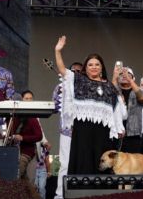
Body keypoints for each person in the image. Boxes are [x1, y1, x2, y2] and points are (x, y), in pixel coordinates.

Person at [54, 36, 126, 175]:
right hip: (83, 128)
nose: (94, 67)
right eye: (90, 64)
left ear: (101, 68)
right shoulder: (79, 80)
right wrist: (58, 51)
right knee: (83, 159)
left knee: (101, 161)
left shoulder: (108, 85)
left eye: (97, 64)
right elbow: (63, 70)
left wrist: (118, 126)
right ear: (85, 68)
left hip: (102, 130)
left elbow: (116, 105)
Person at [53, 62, 82, 199]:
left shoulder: (87, 87)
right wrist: (60, 93)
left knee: (82, 163)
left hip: (83, 133)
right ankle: (60, 195)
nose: (76, 73)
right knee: (65, 164)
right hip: (67, 131)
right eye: (73, 70)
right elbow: (54, 106)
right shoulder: (61, 86)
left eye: (79, 71)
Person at [20, 90, 51, 199]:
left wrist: (45, 141)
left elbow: (40, 132)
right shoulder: (18, 113)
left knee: (31, 182)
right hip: (19, 151)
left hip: (32, 152)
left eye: (30, 98)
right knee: (24, 180)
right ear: (22, 99)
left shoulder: (34, 115)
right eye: (26, 98)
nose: (28, 100)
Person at [112, 66, 143, 153]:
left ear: (133, 78)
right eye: (121, 74)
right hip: (116, 132)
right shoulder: (115, 90)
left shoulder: (137, 91)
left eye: (128, 74)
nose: (124, 75)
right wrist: (114, 77)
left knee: (133, 163)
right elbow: (110, 95)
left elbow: (142, 98)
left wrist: (130, 81)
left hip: (133, 135)